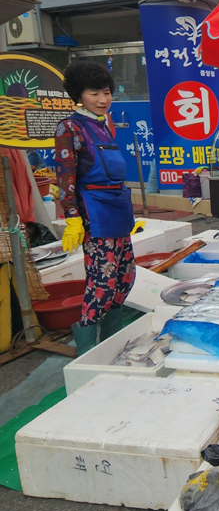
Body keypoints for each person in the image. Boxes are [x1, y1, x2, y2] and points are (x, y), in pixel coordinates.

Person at [55, 61, 136, 355]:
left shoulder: (104, 125)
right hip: (95, 215)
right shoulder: (70, 127)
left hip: (118, 212)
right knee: (102, 283)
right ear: (79, 95)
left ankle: (112, 342)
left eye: (106, 92)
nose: (103, 99)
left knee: (125, 278)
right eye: (94, 93)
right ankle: (88, 350)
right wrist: (72, 218)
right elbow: (66, 177)